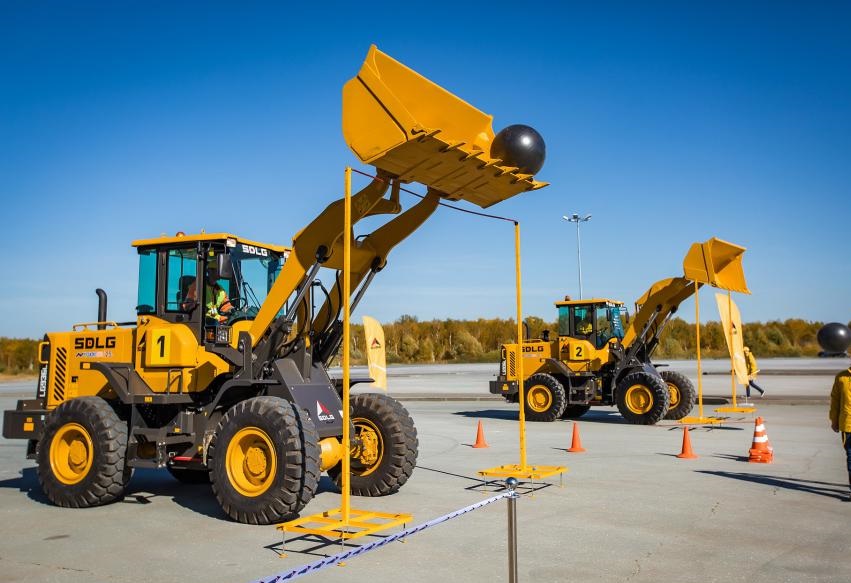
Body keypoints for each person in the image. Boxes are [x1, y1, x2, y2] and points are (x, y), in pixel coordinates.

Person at [829, 364, 851, 502]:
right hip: (848, 425)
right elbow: (835, 401)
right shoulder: (841, 377)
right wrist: (834, 420)